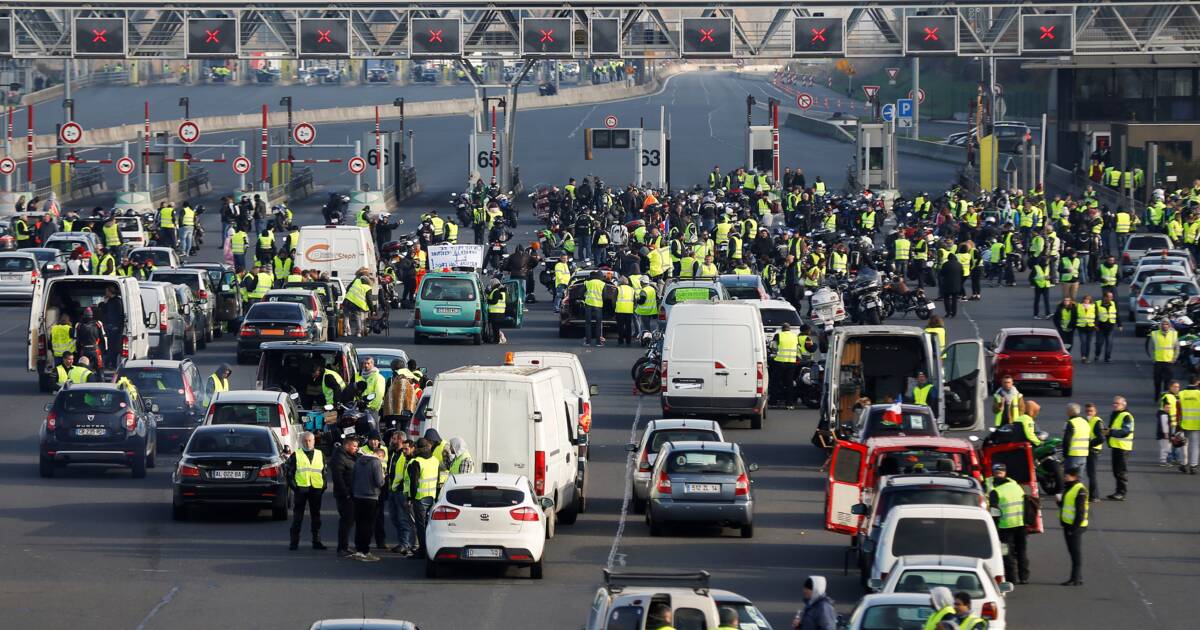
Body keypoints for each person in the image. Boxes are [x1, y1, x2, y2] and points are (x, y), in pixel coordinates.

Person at [986, 463, 1029, 585]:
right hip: (1021, 525)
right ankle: (1024, 577)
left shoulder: (996, 491)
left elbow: (994, 512)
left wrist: (993, 528)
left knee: (1006, 552)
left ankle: (1011, 578)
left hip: (1005, 527)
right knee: (1022, 551)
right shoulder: (1016, 486)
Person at [286, 431, 327, 551]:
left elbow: (324, 472)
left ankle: (317, 541)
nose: (307, 443)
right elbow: (289, 473)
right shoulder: (296, 455)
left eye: (310, 440)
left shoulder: (320, 454)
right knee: (298, 516)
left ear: (314, 441)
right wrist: (295, 487)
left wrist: (323, 486)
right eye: (305, 440)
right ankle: (294, 542)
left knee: (316, 516)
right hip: (301, 489)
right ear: (301, 442)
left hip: (316, 489)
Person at [406, 437, 441, 560]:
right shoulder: (435, 460)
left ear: (418, 448)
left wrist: (410, 497)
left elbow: (414, 483)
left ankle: (422, 551)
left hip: (419, 498)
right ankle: (429, 549)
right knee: (429, 526)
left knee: (420, 526)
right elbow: (437, 479)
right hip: (431, 497)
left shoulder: (417, 462)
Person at [351, 437, 385, 561]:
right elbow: (379, 482)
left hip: (358, 496)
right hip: (371, 497)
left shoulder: (359, 461)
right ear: (380, 456)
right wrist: (384, 478)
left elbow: (353, 477)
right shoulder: (376, 463)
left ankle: (359, 550)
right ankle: (366, 551)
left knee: (359, 524)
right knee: (369, 525)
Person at [330, 437, 360, 558]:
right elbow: (338, 478)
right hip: (344, 495)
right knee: (346, 521)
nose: (356, 449)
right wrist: (346, 493)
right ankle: (342, 547)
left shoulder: (350, 456)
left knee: (349, 521)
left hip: (350, 493)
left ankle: (345, 546)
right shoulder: (340, 457)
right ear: (347, 445)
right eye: (354, 446)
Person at [1059, 466, 1088, 586]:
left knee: (1075, 553)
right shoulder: (1069, 487)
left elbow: (1080, 513)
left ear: (1074, 476)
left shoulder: (1080, 490)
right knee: (1072, 552)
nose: (1065, 477)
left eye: (1067, 475)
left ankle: (1075, 578)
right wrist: (1059, 502)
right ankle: (1077, 577)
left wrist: (1074, 529)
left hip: (1075, 526)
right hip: (1067, 524)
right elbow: (1066, 505)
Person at [388, 438, 417, 555]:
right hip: (395, 491)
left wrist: (409, 497)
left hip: (403, 493)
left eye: (406, 449)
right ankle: (403, 543)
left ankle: (406, 544)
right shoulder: (399, 455)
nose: (404, 451)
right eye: (403, 449)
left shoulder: (413, 461)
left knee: (403, 519)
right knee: (395, 518)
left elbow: (412, 480)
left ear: (412, 448)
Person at [1106, 395, 1134, 501]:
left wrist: (1111, 432)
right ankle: (1118, 491)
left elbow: (1125, 432)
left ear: (1124, 404)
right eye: (1114, 403)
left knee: (1121, 471)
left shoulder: (1127, 416)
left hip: (1123, 448)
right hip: (1116, 446)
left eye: (1117, 403)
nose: (1114, 405)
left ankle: (1122, 492)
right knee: (1116, 471)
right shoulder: (1116, 414)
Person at [1146, 319, 1178, 396]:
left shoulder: (1173, 334)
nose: (1165, 326)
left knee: (1168, 381)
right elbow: (1150, 347)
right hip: (1158, 361)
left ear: (1169, 325)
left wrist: (1174, 358)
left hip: (1168, 361)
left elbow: (1177, 347)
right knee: (1157, 381)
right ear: (1160, 325)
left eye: (1166, 324)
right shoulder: (1154, 334)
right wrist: (1153, 359)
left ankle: (1165, 396)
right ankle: (1157, 394)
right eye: (1163, 324)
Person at [1083, 403, 1106, 499]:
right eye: (1087, 411)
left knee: (1092, 473)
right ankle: (1092, 495)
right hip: (1089, 449)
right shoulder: (1088, 420)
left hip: (1093, 450)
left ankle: (1094, 496)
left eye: (1091, 411)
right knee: (1089, 473)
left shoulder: (1097, 421)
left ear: (1095, 412)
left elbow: (1101, 438)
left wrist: (1089, 444)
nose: (1089, 413)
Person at [1062, 402, 1091, 473]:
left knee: (1070, 478)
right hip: (1084, 454)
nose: (1066, 411)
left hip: (1073, 455)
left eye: (1067, 410)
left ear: (1070, 411)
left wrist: (1065, 455)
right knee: (1079, 479)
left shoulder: (1070, 423)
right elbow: (1089, 438)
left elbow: (1066, 441)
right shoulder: (1085, 421)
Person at [343, 268, 373, 337]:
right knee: (358, 317)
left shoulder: (356, 281)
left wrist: (349, 294)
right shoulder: (368, 287)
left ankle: (345, 332)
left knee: (346, 316)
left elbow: (348, 288)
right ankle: (358, 332)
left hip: (347, 300)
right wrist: (372, 310)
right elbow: (369, 299)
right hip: (357, 303)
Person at [1179, 377, 1200, 474]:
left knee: (1184, 444)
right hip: (1196, 424)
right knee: (1195, 445)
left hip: (1183, 423)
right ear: (1197, 382)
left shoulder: (1181, 394)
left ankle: (1183, 464)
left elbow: (1178, 409)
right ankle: (1193, 466)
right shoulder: (1199, 394)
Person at [1157, 382, 1181, 468]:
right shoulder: (1166, 396)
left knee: (1176, 442)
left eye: (1178, 387)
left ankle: (1174, 458)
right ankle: (1167, 459)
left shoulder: (1178, 396)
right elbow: (1162, 411)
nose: (1176, 388)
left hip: (1177, 422)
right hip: (1170, 423)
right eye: (1174, 386)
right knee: (1169, 443)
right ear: (1170, 387)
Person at [1094, 290, 1121, 363]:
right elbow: (1094, 315)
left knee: (1109, 343)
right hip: (1100, 327)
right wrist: (1095, 325)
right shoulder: (1097, 303)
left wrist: (1119, 324)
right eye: (1109, 297)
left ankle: (1107, 358)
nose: (1111, 298)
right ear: (1104, 297)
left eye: (1111, 297)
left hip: (1110, 327)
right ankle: (1097, 355)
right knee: (1099, 343)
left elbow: (1117, 314)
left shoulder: (1113, 303)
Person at [583, 271, 606, 347]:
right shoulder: (602, 284)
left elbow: (581, 293)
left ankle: (588, 342)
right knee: (598, 324)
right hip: (598, 305)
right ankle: (598, 342)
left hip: (588, 305)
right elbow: (605, 296)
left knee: (588, 324)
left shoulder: (587, 283)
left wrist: (584, 299)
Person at [938, 250, 963, 317]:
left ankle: (948, 311)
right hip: (956, 284)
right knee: (954, 299)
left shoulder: (945, 264)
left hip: (947, 284)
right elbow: (962, 274)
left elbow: (941, 274)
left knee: (946, 298)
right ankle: (954, 312)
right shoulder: (959, 265)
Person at [1074, 294, 1097, 363]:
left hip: (1090, 327)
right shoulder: (1079, 306)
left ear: (1090, 300)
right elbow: (1075, 315)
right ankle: (1083, 357)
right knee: (1083, 342)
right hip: (1081, 327)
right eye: (1085, 299)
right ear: (1083, 299)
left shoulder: (1093, 306)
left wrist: (1096, 325)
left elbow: (1097, 316)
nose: (1086, 300)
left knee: (1088, 343)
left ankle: (1087, 357)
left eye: (1088, 299)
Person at [614, 276, 636, 346]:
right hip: (629, 310)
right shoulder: (632, 289)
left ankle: (620, 341)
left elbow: (613, 300)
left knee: (620, 326)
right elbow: (634, 300)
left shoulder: (618, 289)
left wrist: (614, 308)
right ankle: (628, 341)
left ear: (620, 282)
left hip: (620, 310)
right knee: (628, 326)